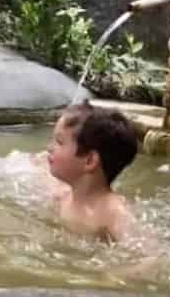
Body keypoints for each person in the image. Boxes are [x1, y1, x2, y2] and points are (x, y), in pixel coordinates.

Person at [45, 102, 138, 242]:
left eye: (59, 142)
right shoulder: (61, 198)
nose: (49, 148)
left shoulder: (114, 214)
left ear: (90, 161)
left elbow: (150, 255)